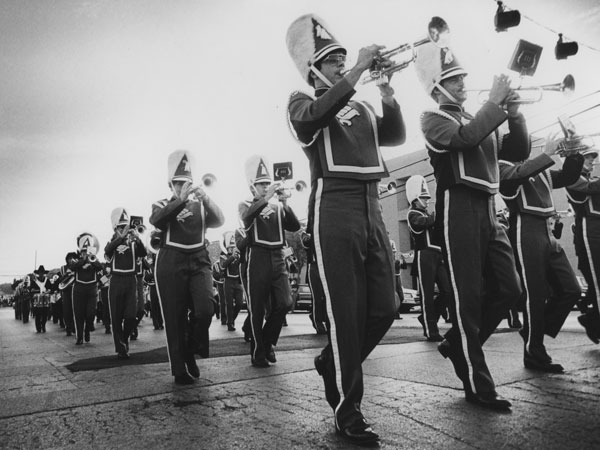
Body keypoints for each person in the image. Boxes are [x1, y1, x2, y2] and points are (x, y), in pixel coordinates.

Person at [286, 14, 406, 444]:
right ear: (314, 69)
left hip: (372, 204)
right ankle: (347, 407)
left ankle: (330, 361)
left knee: (387, 307)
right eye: (332, 60)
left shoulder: (361, 104)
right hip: (333, 206)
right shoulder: (300, 100)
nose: (340, 63)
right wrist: (356, 70)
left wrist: (388, 91)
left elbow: (392, 134)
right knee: (346, 315)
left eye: (342, 58)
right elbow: (313, 117)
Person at [415, 35, 527, 410]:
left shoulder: (479, 115)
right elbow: (464, 139)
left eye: (463, 76)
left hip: (487, 208)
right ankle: (478, 384)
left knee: (510, 290)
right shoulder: (432, 118)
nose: (463, 83)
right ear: (437, 86)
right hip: (457, 207)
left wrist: (514, 111)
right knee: (468, 299)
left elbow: (516, 152)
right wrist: (495, 103)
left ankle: (457, 343)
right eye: (454, 79)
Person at [499, 134, 583, 372]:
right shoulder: (502, 168)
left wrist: (573, 153)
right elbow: (517, 176)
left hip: (548, 231)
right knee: (534, 295)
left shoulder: (538, 169)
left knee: (571, 289)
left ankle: (533, 331)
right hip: (526, 229)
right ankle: (534, 351)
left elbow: (568, 177)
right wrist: (547, 154)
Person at [150, 150, 224, 385]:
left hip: (199, 259)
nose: (183, 186)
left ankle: (191, 349)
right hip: (171, 260)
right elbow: (157, 220)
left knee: (206, 309)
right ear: (170, 184)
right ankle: (179, 367)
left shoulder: (200, 204)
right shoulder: (162, 203)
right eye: (178, 183)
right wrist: (180, 199)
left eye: (186, 183)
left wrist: (206, 198)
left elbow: (220, 220)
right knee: (174, 317)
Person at [239, 155, 300, 368]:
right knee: (256, 309)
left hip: (277, 257)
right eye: (261, 184)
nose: (266, 187)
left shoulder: (277, 207)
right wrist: (266, 198)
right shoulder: (246, 204)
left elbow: (293, 226)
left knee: (285, 302)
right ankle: (258, 351)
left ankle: (266, 341)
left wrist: (285, 201)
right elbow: (247, 217)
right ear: (252, 187)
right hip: (257, 257)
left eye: (267, 183)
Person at [406, 175, 451, 342]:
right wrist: (439, 210)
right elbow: (423, 223)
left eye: (427, 198)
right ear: (415, 198)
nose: (426, 200)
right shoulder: (412, 213)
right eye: (423, 198)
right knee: (427, 294)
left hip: (438, 255)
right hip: (424, 255)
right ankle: (431, 329)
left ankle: (427, 317)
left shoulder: (426, 213)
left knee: (447, 292)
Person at [565, 139, 600, 344]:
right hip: (589, 235)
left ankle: (592, 319)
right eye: (587, 157)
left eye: (593, 158)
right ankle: (593, 319)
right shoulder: (573, 178)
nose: (592, 161)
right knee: (597, 281)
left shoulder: (593, 179)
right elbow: (586, 189)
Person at [104, 208, 147, 359]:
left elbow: (143, 253)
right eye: (121, 227)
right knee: (115, 318)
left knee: (131, 316)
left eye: (126, 227)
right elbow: (107, 250)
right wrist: (120, 238)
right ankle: (121, 347)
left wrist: (138, 238)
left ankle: (125, 338)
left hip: (131, 281)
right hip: (116, 281)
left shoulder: (134, 242)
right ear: (115, 229)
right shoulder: (112, 243)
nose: (124, 230)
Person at [70, 233, 104, 345]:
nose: (86, 252)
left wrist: (92, 260)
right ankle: (79, 337)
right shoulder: (76, 259)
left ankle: (88, 328)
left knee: (91, 313)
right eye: (83, 250)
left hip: (91, 289)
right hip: (78, 290)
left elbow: (100, 267)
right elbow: (72, 267)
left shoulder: (94, 259)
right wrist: (83, 260)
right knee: (79, 314)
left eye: (87, 250)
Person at [220, 231, 244, 332]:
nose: (232, 249)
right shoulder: (223, 256)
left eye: (233, 247)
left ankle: (232, 319)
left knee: (239, 303)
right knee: (229, 304)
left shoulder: (239, 255)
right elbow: (222, 266)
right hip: (228, 281)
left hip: (237, 282)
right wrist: (232, 257)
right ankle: (230, 323)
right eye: (230, 247)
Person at [58, 252, 78, 337]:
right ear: (67, 260)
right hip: (66, 290)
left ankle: (75, 327)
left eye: (73, 258)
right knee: (67, 310)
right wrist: (67, 274)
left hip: (76, 290)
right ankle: (68, 328)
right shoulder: (63, 268)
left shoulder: (78, 267)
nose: (71, 260)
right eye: (69, 258)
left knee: (76, 310)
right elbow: (60, 280)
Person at [30, 265, 52, 333]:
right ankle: (38, 328)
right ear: (38, 273)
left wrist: (49, 290)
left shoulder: (47, 280)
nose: (41, 274)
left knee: (45, 314)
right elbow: (31, 289)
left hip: (45, 299)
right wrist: (33, 290)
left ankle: (43, 325)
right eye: (40, 272)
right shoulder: (34, 281)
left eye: (42, 272)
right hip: (37, 299)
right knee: (37, 314)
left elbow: (50, 288)